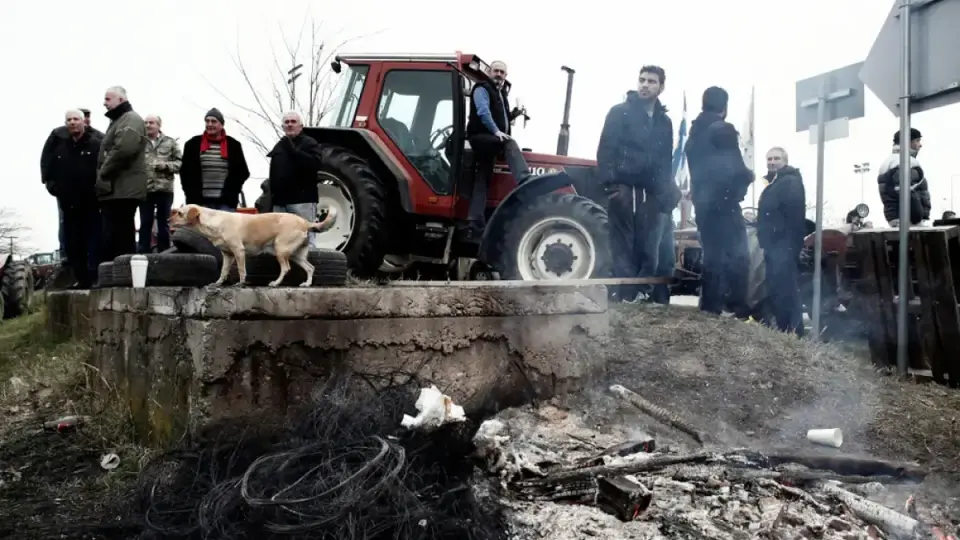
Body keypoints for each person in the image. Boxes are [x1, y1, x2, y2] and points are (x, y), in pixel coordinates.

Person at [596, 65, 679, 303]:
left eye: (651, 81)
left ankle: (643, 293)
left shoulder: (665, 122)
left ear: (661, 87)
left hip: (651, 192)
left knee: (649, 246)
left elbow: (665, 160)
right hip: (623, 188)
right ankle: (625, 294)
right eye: (642, 80)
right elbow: (605, 150)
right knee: (623, 245)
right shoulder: (619, 112)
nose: (645, 85)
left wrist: (664, 190)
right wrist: (611, 185)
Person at [684, 86, 753, 317]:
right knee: (738, 255)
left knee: (713, 255)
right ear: (724, 107)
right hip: (724, 202)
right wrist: (748, 176)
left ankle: (711, 306)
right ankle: (734, 307)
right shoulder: (723, 129)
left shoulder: (694, 134)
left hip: (703, 205)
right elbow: (734, 167)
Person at [463, 60, 532, 241]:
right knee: (509, 143)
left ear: (505, 76)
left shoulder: (501, 95)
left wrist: (513, 114)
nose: (499, 75)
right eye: (496, 71)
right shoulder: (482, 88)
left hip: (489, 140)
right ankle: (525, 180)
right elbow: (483, 112)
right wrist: (497, 132)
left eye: (502, 72)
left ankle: (474, 222)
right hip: (480, 137)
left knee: (482, 180)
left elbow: (501, 117)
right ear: (489, 72)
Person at [41, 109, 103, 288]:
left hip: (91, 202)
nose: (72, 122)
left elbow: (105, 169)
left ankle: (94, 277)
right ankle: (81, 279)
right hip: (68, 203)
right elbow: (48, 167)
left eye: (76, 119)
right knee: (73, 243)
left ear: (84, 122)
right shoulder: (60, 147)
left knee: (94, 240)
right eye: (69, 120)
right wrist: (53, 187)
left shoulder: (96, 144)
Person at [756, 146, 806, 336]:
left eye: (776, 158)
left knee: (785, 290)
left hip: (783, 245)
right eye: (769, 159)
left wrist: (787, 244)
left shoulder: (789, 182)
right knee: (778, 288)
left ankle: (793, 331)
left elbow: (793, 217)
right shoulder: (777, 182)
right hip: (775, 245)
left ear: (785, 161)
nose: (772, 162)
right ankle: (786, 330)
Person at [96, 86, 148, 262]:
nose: (104, 103)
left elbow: (124, 149)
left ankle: (124, 272)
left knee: (121, 235)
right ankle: (117, 271)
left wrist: (103, 171)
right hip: (116, 189)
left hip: (124, 189)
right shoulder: (119, 120)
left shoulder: (130, 119)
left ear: (120, 99)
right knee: (113, 235)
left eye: (108, 99)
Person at [267, 111, 324, 243]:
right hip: (280, 203)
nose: (290, 125)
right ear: (282, 127)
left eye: (293, 122)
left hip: (302, 202)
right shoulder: (279, 146)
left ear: (301, 126)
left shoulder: (310, 143)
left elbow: (315, 164)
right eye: (287, 122)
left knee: (306, 240)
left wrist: (293, 150)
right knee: (281, 241)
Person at [180, 108, 250, 211]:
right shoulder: (192, 144)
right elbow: (185, 173)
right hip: (199, 203)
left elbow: (243, 172)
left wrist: (232, 191)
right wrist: (191, 194)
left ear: (222, 125)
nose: (209, 124)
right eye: (207, 121)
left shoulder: (233, 145)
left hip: (225, 203)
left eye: (213, 121)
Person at [139, 114, 182, 253]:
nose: (148, 125)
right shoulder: (139, 143)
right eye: (146, 123)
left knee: (164, 223)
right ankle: (143, 253)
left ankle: (164, 253)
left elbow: (180, 163)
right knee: (145, 222)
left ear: (159, 125)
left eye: (151, 123)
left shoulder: (170, 142)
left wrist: (166, 166)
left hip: (165, 189)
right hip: (145, 189)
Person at [878, 128, 931, 228]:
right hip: (910, 220)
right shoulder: (906, 162)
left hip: (895, 217)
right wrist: (918, 218)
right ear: (907, 142)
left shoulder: (889, 162)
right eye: (917, 141)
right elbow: (907, 193)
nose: (920, 145)